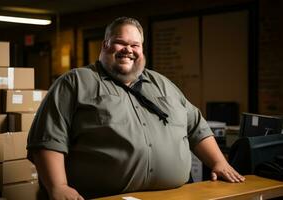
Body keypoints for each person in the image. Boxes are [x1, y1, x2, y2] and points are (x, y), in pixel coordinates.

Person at [27, 16, 245, 200]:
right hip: (103, 197)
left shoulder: (162, 84)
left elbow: (196, 126)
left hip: (175, 195)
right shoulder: (75, 82)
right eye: (120, 42)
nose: (128, 50)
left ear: (142, 49)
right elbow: (48, 139)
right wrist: (58, 187)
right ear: (105, 45)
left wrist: (219, 162)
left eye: (135, 45)